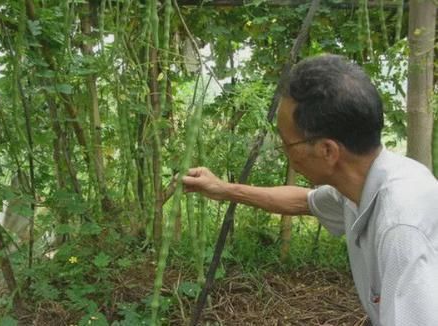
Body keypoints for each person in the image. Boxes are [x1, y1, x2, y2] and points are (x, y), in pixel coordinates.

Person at [182, 54, 438, 326]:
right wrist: (223, 189)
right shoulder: (363, 186)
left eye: (287, 143)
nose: (285, 155)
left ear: (327, 150)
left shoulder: (400, 229)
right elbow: (303, 201)